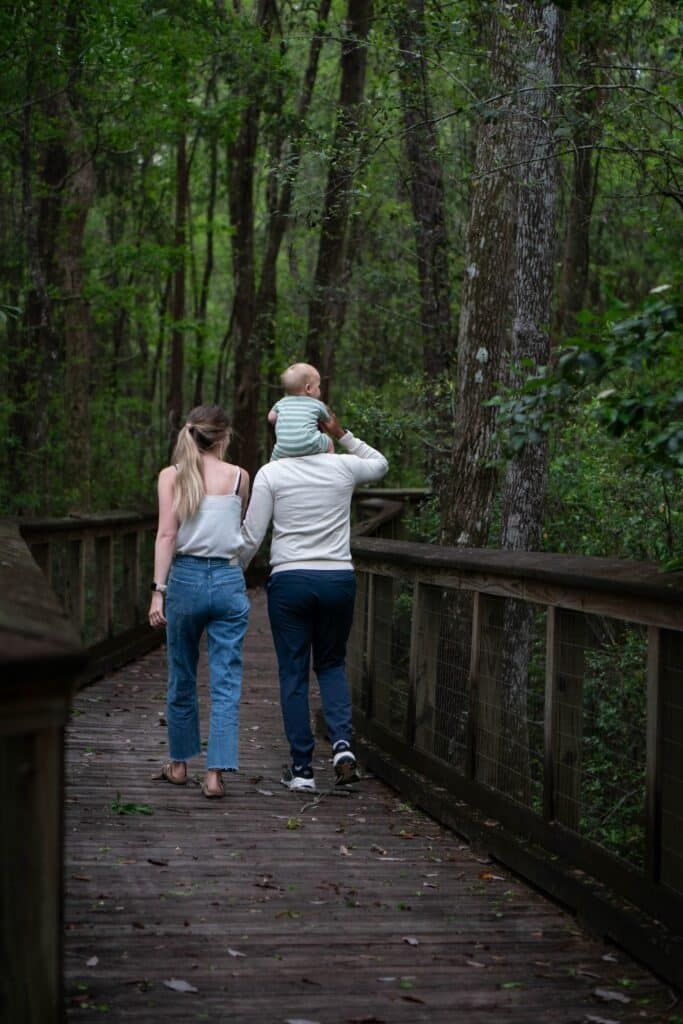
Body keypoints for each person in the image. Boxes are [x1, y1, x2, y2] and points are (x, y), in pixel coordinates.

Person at [239, 407, 388, 792]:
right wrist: (344, 434)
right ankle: (341, 746)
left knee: (293, 673)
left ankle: (303, 769)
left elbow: (252, 536)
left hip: (290, 581)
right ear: (319, 431)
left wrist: (230, 571)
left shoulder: (271, 474)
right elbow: (380, 464)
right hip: (337, 578)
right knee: (332, 663)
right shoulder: (341, 466)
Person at [148, 406, 250, 799]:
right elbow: (235, 528)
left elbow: (166, 536)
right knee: (226, 681)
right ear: (223, 438)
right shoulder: (240, 477)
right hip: (227, 579)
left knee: (182, 674)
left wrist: (159, 589)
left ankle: (178, 765)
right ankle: (214, 776)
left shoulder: (171, 477)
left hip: (185, 581)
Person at [267, 362, 334, 459]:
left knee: (273, 459)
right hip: (310, 444)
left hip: (283, 448)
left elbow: (271, 418)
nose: (319, 389)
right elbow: (327, 419)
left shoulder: (281, 403)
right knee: (329, 442)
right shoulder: (317, 404)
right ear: (308, 388)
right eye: (318, 386)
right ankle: (329, 464)